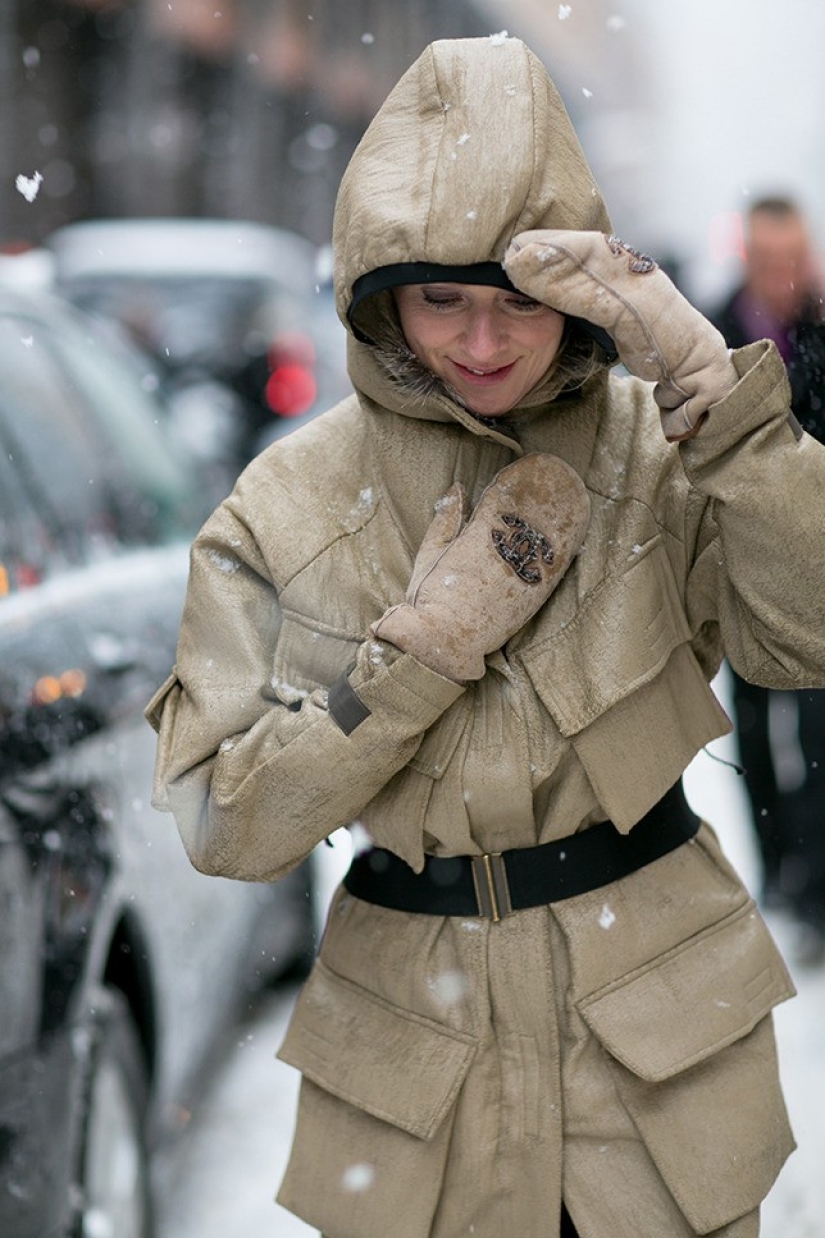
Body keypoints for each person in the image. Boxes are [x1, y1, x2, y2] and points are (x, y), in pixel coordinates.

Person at [145, 37, 825, 1238]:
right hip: (420, 1071)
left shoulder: (660, 447)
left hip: (657, 1052)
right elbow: (221, 819)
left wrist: (730, 416)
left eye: (519, 298)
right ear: (376, 291)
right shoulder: (286, 505)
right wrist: (407, 668)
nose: (482, 341)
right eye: (441, 295)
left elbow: (803, 639)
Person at [710, 197, 825, 958]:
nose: (784, 278)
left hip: (818, 563)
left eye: (795, 261)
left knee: (815, 732)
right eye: (769, 262)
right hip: (742, 568)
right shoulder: (713, 331)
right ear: (746, 257)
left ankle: (814, 885)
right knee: (752, 729)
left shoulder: (819, 327)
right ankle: (777, 871)